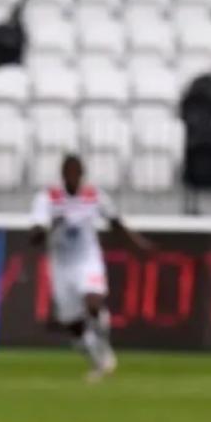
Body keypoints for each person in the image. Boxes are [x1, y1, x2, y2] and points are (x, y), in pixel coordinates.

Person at [29, 155, 155, 382]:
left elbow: (115, 223)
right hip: (61, 265)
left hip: (87, 259)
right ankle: (98, 360)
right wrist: (48, 228)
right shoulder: (47, 198)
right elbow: (34, 235)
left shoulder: (94, 196)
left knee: (93, 303)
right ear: (63, 174)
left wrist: (139, 244)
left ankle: (104, 346)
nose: (72, 176)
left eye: (76, 172)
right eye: (68, 172)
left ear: (82, 174)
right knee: (74, 325)